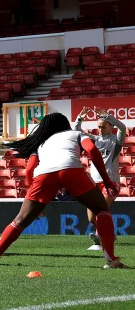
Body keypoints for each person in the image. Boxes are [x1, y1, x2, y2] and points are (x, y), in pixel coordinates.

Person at [0, 113, 125, 268]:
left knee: (20, 219)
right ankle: (111, 260)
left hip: (43, 175)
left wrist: (34, 200)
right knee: (101, 210)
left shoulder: (41, 144)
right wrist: (107, 181)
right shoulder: (76, 134)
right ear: (65, 124)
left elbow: (29, 169)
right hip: (71, 169)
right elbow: (92, 150)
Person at [75, 106, 126, 251]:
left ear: (110, 127)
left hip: (111, 182)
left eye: (103, 127)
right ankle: (108, 234)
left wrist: (109, 116)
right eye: (98, 127)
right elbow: (78, 131)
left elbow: (122, 127)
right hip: (95, 182)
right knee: (91, 218)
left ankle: (100, 238)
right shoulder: (94, 140)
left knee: (99, 210)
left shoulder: (116, 141)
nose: (100, 129)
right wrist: (80, 118)